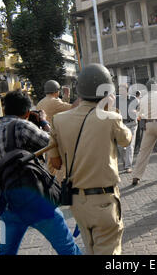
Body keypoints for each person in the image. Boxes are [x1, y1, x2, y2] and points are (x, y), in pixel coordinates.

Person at [48, 64, 132, 255]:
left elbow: (56, 162)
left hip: (77, 203)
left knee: (91, 249)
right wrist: (111, 110)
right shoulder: (111, 118)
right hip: (104, 201)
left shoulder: (59, 120)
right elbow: (126, 140)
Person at [0, 90, 81, 255]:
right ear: (26, 112)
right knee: (67, 248)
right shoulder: (22, 125)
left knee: (5, 251)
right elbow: (52, 142)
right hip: (35, 200)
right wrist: (43, 121)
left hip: (6, 202)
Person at [115, 83, 140, 173]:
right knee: (120, 146)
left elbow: (140, 109)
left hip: (132, 124)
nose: (120, 92)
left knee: (130, 144)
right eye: (119, 90)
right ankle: (126, 162)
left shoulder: (134, 99)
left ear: (127, 91)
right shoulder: (116, 99)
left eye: (122, 90)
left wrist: (136, 112)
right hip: (121, 124)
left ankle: (128, 166)